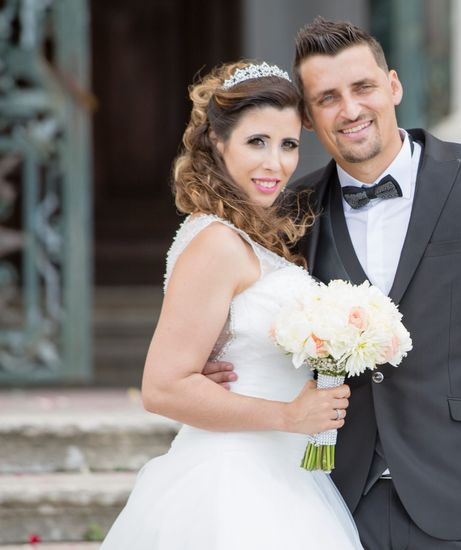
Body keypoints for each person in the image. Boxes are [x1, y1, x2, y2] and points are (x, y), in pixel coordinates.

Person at [204, 18, 461, 550]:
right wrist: (219, 360)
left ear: (394, 86)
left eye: (363, 88)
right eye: (327, 98)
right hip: (331, 498)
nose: (350, 110)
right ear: (309, 118)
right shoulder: (289, 211)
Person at [101, 60, 363, 549]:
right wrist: (289, 416)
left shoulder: (250, 238)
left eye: (288, 145)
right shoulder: (217, 243)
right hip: (233, 479)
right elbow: (162, 388)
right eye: (256, 142)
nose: (276, 164)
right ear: (218, 143)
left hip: (281, 471)